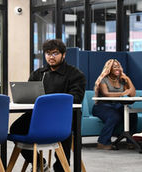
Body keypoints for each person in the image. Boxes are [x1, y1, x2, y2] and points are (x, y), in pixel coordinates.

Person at [10, 39, 86, 172]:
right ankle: (40, 163)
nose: (51, 57)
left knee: (63, 135)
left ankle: (61, 168)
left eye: (55, 53)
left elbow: (76, 99)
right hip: (38, 116)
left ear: (63, 54)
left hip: (63, 117)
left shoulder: (75, 74)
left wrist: (52, 101)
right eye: (48, 53)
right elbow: (29, 94)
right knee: (15, 128)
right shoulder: (38, 73)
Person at [93, 59, 137, 150]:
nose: (117, 68)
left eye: (118, 66)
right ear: (109, 69)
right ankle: (102, 142)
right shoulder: (103, 80)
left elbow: (132, 94)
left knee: (132, 114)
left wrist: (128, 79)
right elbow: (106, 94)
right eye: (114, 66)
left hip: (117, 105)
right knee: (114, 116)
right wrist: (122, 93)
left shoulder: (122, 80)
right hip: (102, 106)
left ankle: (130, 141)